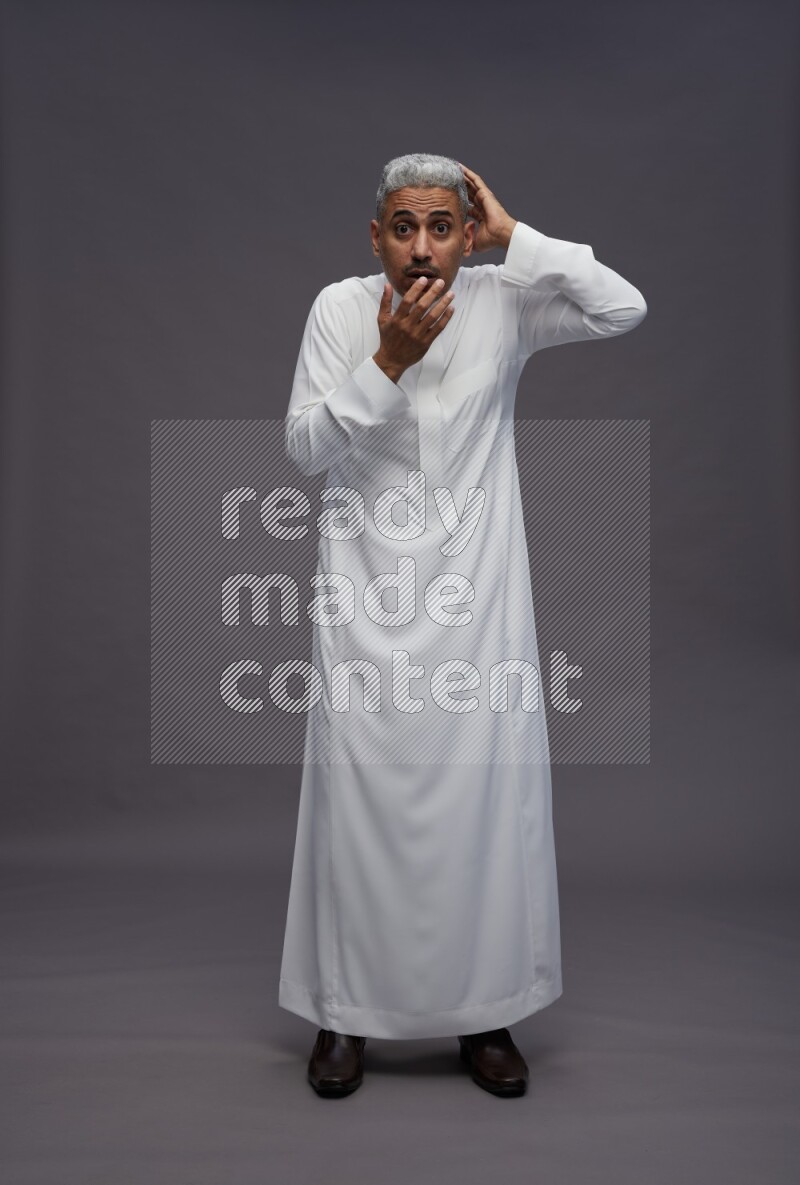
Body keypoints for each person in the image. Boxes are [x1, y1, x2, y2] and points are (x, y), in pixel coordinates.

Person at [279, 153, 647, 1097]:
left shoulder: (501, 301)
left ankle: (488, 1012)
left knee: (485, 806)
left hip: (479, 602)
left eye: (443, 225)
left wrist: (517, 238)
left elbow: (622, 307)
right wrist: (386, 362)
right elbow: (307, 448)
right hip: (366, 601)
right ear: (376, 237)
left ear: (466, 229)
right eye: (403, 227)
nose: (422, 248)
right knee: (360, 810)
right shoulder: (337, 308)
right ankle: (344, 1013)